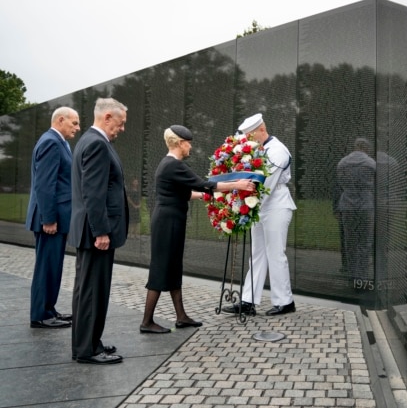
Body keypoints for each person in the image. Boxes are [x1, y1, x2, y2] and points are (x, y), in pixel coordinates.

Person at [140, 125, 255, 333]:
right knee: (161, 267)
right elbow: (204, 184)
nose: (190, 147)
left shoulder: (168, 165)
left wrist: (205, 196)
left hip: (169, 220)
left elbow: (185, 193)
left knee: (173, 266)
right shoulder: (174, 165)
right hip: (168, 222)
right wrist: (237, 185)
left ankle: (181, 316)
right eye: (188, 143)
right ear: (180, 143)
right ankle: (147, 321)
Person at [68, 98, 128, 365]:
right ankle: (87, 350)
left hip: (91, 231)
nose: (122, 128)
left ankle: (90, 342)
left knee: (89, 290)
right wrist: (101, 232)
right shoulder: (96, 144)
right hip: (96, 233)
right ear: (107, 117)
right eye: (121, 122)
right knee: (92, 292)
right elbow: (94, 193)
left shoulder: (89, 141)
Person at [223, 113, 298, 316]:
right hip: (258, 206)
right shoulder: (258, 149)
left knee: (275, 253)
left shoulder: (278, 151)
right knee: (257, 255)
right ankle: (248, 301)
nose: (247, 140)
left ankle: (284, 301)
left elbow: (267, 185)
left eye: (250, 136)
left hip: (275, 206)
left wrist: (244, 207)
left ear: (262, 130)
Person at [26, 107, 80, 329]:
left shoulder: (57, 142)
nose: (77, 128)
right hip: (50, 220)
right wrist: (49, 219)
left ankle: (49, 309)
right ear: (61, 120)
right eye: (74, 123)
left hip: (56, 218)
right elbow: (45, 185)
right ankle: (41, 315)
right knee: (46, 267)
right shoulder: (51, 142)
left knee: (53, 266)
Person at [333, 138, 376, 283]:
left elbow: (340, 184)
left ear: (355, 146)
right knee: (365, 241)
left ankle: (352, 272)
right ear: (366, 148)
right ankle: (361, 274)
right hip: (366, 204)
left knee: (350, 241)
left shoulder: (342, 163)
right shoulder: (371, 164)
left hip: (347, 204)